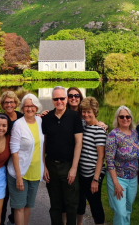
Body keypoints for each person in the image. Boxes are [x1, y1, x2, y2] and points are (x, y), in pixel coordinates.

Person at [42, 86, 83, 225]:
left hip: (68, 164)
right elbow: (44, 143)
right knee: (55, 204)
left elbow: (78, 143)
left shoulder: (74, 117)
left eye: (62, 98)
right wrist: (44, 166)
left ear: (66, 99)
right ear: (52, 100)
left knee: (71, 204)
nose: (59, 101)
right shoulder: (46, 118)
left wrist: (73, 168)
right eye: (56, 99)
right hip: (51, 165)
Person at [7, 93, 45, 225]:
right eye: (27, 106)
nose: (30, 109)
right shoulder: (18, 124)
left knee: (29, 206)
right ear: (23, 108)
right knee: (19, 207)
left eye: (32, 106)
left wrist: (44, 167)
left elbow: (42, 147)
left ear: (37, 107)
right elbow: (14, 151)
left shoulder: (40, 121)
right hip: (20, 172)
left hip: (35, 172)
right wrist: (18, 177)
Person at [105, 106, 139, 225]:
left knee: (127, 210)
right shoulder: (113, 135)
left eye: (127, 116)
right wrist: (116, 183)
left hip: (133, 178)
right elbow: (109, 161)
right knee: (121, 212)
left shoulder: (135, 133)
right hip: (118, 178)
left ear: (131, 118)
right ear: (117, 118)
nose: (125, 119)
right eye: (121, 116)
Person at [77, 97, 106, 225]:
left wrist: (95, 179)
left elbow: (101, 157)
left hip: (92, 174)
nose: (86, 114)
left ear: (95, 111)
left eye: (89, 112)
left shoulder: (99, 131)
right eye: (84, 111)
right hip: (82, 173)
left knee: (95, 204)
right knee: (80, 202)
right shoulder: (84, 127)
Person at [0, 90, 24, 225]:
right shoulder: (0, 118)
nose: (9, 104)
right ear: (3, 105)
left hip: (19, 160)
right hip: (4, 161)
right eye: (6, 102)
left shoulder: (22, 117)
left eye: (11, 102)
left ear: (15, 103)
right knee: (4, 196)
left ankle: (13, 220)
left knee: (17, 197)